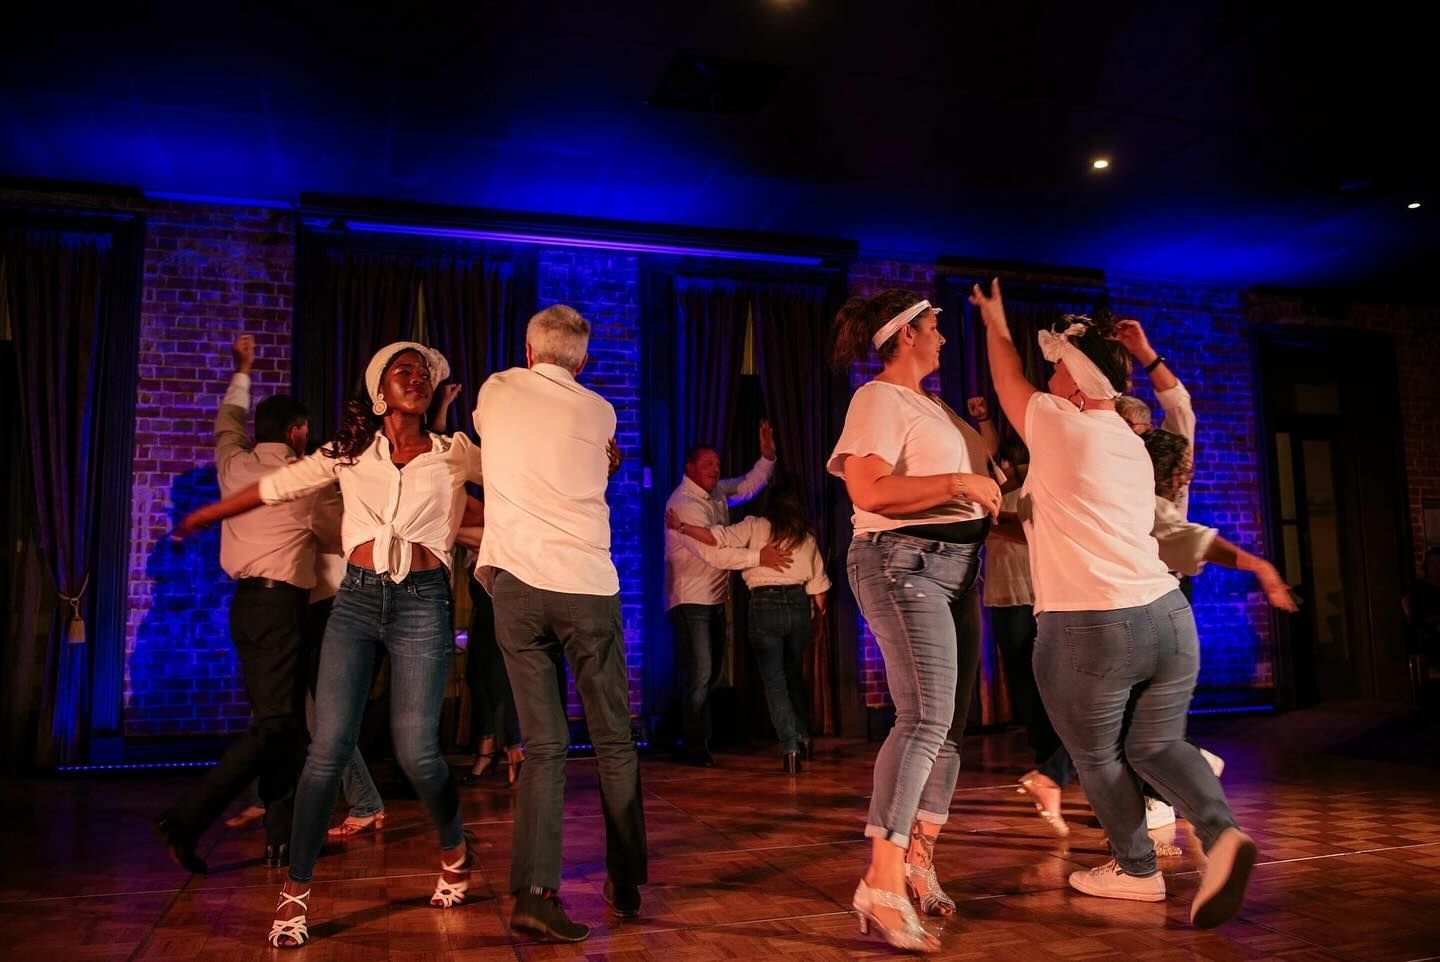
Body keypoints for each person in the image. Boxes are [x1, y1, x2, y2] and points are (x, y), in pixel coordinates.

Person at [174, 341, 484, 947]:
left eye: (423, 372)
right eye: (403, 371)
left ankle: (454, 848)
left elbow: (525, 479)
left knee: (419, 753)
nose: (417, 378)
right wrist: (209, 514)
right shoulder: (347, 452)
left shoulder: (454, 452)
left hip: (424, 602)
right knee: (326, 750)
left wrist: (597, 465)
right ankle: (295, 894)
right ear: (379, 391)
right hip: (358, 602)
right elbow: (276, 488)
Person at [974, 279, 1255, 929]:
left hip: (1090, 625)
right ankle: (1221, 834)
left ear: (1077, 384)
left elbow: (1007, 377)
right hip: (1168, 617)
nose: (1048, 383)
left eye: (1056, 373)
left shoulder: (1058, 424)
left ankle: (1136, 870)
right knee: (1157, 744)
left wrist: (993, 322)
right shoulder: (1131, 443)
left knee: (1097, 755)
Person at [828, 290, 1002, 953]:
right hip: (903, 563)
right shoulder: (878, 399)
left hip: (957, 568)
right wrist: (958, 483)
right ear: (906, 335)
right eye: (934, 327)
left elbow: (977, 494)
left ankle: (918, 861)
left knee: (949, 726)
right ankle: (880, 879)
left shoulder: (935, 407)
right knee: (923, 717)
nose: (943, 337)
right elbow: (868, 491)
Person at [474, 304, 647, 943]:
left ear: (528, 352)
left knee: (544, 744)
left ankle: (535, 895)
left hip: (517, 586)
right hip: (586, 586)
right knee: (613, 739)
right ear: (584, 360)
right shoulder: (600, 411)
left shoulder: (496, 390)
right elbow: (593, 464)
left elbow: (503, 444)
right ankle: (624, 880)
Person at [155, 334, 315, 874]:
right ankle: (186, 817)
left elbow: (227, 424)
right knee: (276, 726)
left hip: (244, 607)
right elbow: (339, 533)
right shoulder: (302, 482)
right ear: (295, 431)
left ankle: (281, 837)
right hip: (282, 609)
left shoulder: (233, 466)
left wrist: (241, 369)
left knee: (283, 726)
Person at [666, 471, 830, 773]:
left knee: (774, 680)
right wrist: (818, 621)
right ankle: (804, 737)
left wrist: (682, 527)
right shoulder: (806, 538)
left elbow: (716, 538)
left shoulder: (755, 526)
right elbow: (819, 590)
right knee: (793, 674)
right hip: (798, 608)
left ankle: (790, 747)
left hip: (765, 606)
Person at [665, 425, 787, 765]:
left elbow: (746, 485)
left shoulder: (716, 492)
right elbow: (714, 555)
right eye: (708, 464)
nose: (716, 469)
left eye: (717, 464)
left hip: (714, 600)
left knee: (710, 674)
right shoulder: (683, 505)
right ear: (690, 468)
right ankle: (694, 746)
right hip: (691, 601)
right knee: (700, 674)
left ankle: (692, 739)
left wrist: (767, 457)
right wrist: (758, 557)